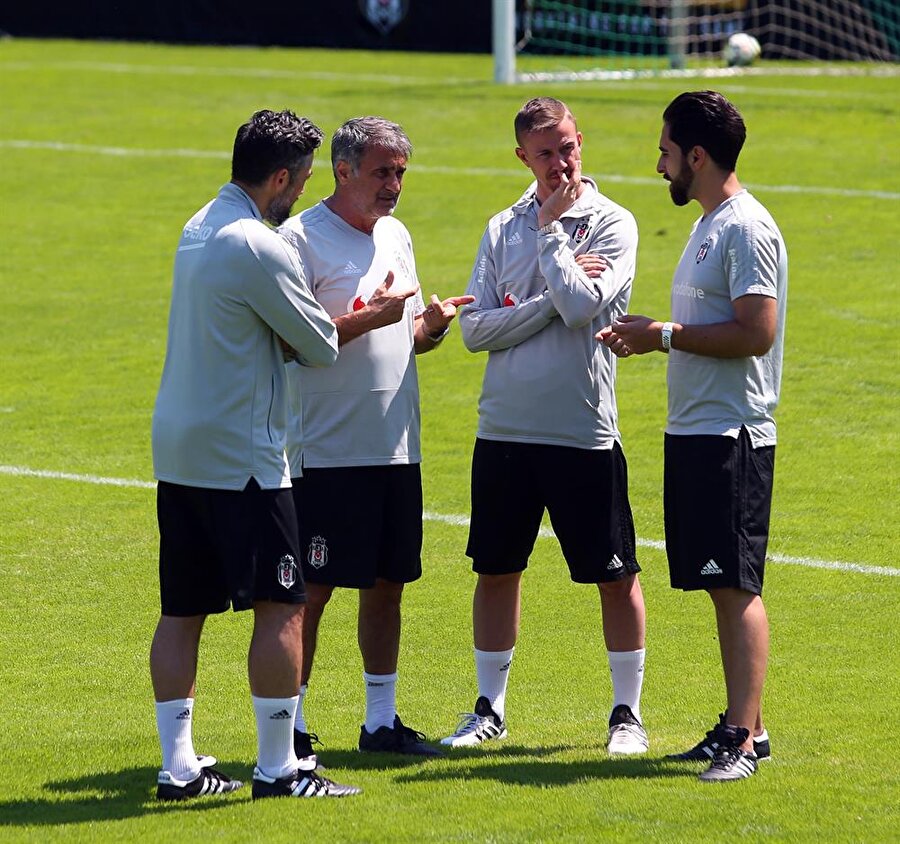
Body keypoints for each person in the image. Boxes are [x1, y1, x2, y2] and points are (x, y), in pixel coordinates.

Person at [150, 109, 361, 801]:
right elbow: (321, 345)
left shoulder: (196, 225)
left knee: (183, 610)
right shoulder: (257, 244)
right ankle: (279, 769)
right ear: (278, 175)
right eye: (299, 180)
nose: (299, 193)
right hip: (242, 457)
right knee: (281, 605)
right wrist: (373, 315)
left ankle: (179, 768)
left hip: (180, 448)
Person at [440, 97, 649, 755]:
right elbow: (474, 331)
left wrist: (557, 243)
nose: (559, 163)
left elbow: (589, 302)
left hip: (582, 430)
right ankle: (488, 709)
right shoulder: (502, 226)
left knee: (615, 576)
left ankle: (626, 716)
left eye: (567, 148)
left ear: (580, 141)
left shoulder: (612, 223)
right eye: (545, 153)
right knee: (497, 571)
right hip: (504, 429)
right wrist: (550, 304)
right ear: (522, 157)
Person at [598, 90, 788, 782]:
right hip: (698, 432)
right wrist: (655, 333)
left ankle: (742, 740)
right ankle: (747, 726)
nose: (659, 165)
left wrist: (665, 337)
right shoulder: (712, 223)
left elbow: (756, 330)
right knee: (720, 585)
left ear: (697, 157)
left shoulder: (745, 228)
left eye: (667, 152)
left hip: (731, 434)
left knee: (736, 586)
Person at [279, 117, 473, 761]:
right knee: (315, 588)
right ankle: (291, 723)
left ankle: (379, 722)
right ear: (343, 171)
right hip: (328, 451)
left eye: (401, 173)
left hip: (397, 445)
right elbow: (292, 343)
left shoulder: (396, 234)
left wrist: (431, 326)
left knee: (389, 582)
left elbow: (405, 335)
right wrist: (369, 320)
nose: (394, 185)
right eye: (383, 171)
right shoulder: (300, 240)